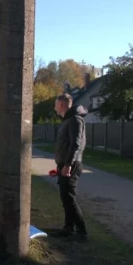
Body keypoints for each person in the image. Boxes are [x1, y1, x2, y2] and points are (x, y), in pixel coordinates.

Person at [53, 93, 88, 241]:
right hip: (65, 165)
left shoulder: (75, 120)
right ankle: (68, 228)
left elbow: (76, 144)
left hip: (71, 165)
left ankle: (82, 232)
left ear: (61, 105)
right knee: (65, 199)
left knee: (69, 199)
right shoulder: (68, 120)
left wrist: (68, 165)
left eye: (55, 105)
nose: (55, 109)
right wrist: (61, 165)